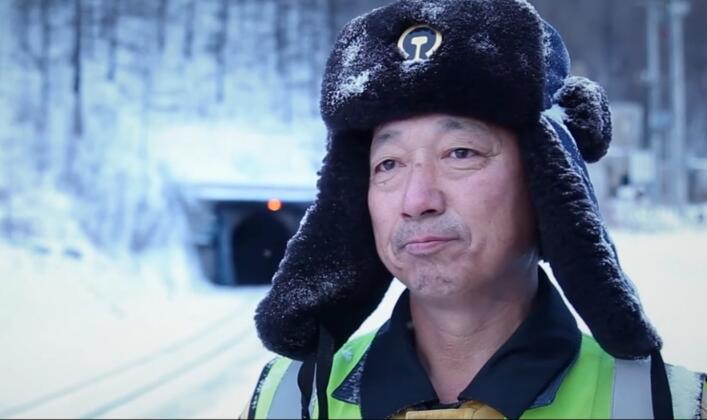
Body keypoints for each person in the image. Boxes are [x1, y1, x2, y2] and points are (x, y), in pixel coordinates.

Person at [244, 0, 706, 418]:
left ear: (547, 182)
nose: (417, 200)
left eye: (460, 153)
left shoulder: (661, 406)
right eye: (388, 164)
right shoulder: (289, 402)